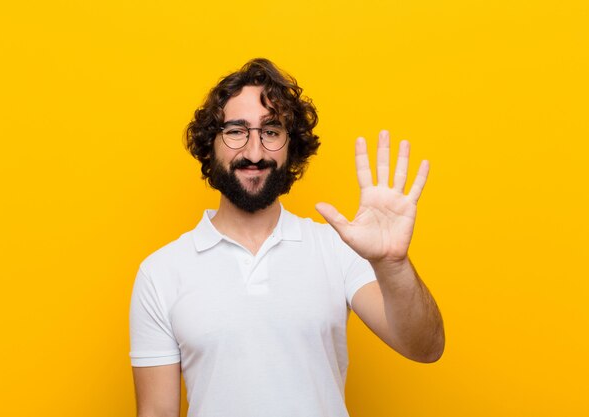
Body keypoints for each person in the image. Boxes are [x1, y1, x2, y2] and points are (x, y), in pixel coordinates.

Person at [129, 58, 445, 417]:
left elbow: (426, 347)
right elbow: (156, 412)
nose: (254, 151)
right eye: (235, 130)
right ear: (209, 146)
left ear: (290, 146)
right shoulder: (160, 272)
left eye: (271, 131)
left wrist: (394, 264)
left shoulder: (337, 249)